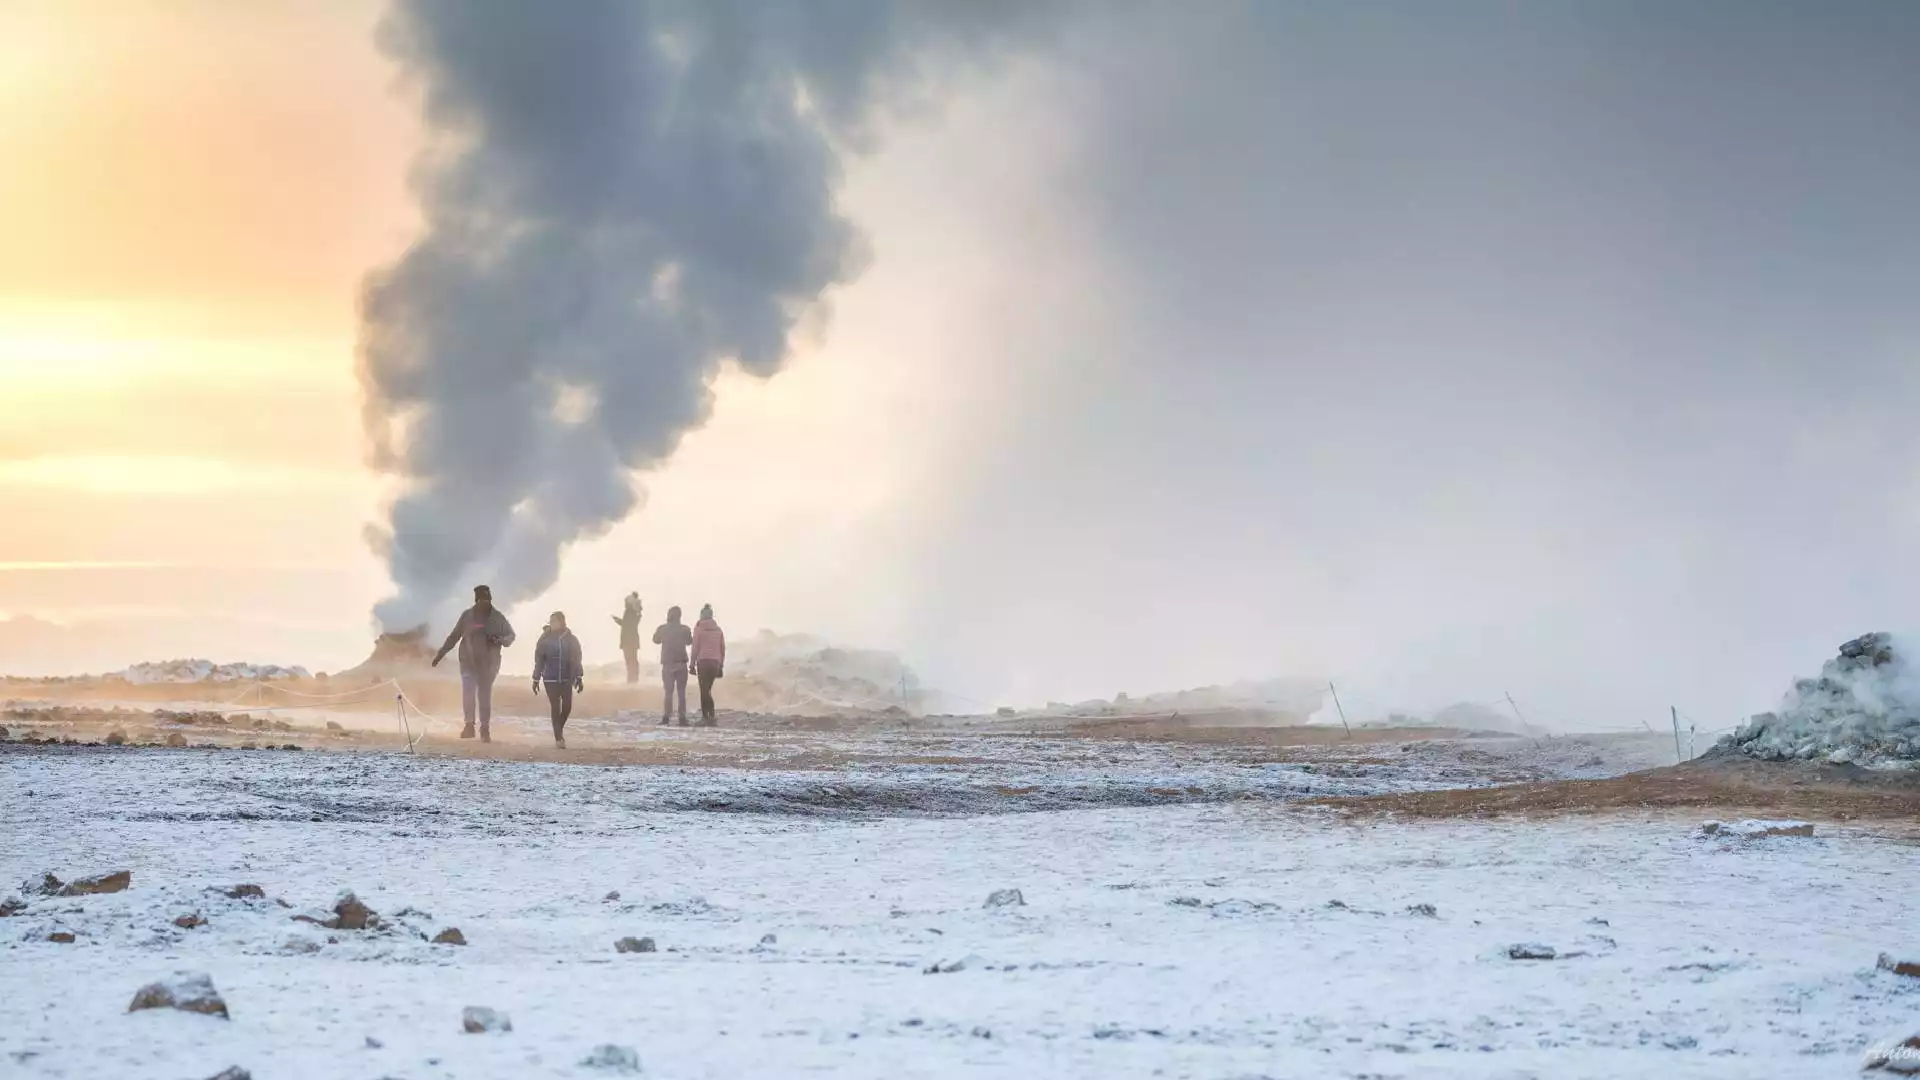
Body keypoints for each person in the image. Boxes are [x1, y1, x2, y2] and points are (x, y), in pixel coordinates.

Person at [431, 584, 516, 743]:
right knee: (468, 694)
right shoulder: (467, 616)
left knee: (484, 697)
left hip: (489, 664)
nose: (485, 603)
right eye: (481, 600)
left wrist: (500, 640)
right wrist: (440, 654)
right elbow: (454, 636)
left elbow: (511, 635)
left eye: (487, 600)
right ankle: (469, 725)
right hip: (468, 662)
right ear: (476, 600)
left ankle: (485, 729)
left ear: (490, 599)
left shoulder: (497, 617)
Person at [532, 611, 584, 749]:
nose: (552, 624)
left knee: (567, 707)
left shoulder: (571, 639)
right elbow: (539, 660)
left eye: (555, 621)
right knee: (555, 707)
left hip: (567, 678)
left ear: (562, 621)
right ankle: (558, 738)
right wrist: (536, 678)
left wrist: (579, 677)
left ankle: (558, 728)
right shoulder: (545, 639)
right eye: (551, 621)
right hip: (550, 678)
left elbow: (577, 659)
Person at [652, 605, 693, 726]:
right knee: (681, 692)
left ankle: (666, 717)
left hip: (668, 664)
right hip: (681, 663)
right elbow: (690, 641)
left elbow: (655, 640)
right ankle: (682, 718)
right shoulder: (684, 629)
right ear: (679, 616)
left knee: (668, 692)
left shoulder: (662, 629)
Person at [691, 603, 726, 727]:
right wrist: (721, 665)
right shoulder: (719, 630)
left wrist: (691, 664)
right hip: (715, 663)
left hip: (703, 662)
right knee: (707, 690)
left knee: (704, 690)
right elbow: (722, 649)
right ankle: (710, 716)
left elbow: (695, 647)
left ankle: (708, 717)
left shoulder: (699, 629)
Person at [612, 593, 642, 684]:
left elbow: (627, 624)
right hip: (632, 640)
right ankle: (633, 678)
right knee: (632, 659)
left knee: (630, 660)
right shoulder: (634, 612)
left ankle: (632, 679)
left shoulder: (629, 612)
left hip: (628, 640)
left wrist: (617, 620)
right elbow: (629, 624)